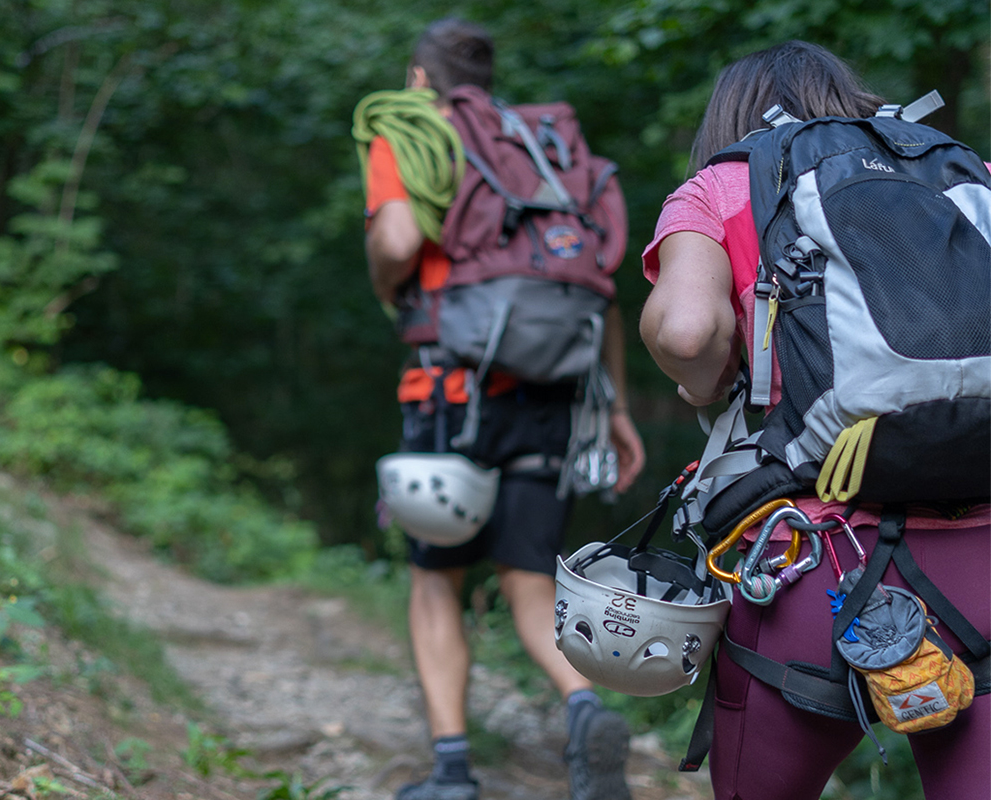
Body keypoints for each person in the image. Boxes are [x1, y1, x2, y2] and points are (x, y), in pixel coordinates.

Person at [639, 40, 991, 800]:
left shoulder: (726, 183)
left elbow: (686, 333)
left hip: (815, 559)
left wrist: (704, 385)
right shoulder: (963, 169)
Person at [361, 18, 646, 800]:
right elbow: (601, 290)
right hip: (554, 389)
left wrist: (389, 284)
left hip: (451, 391)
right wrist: (613, 407)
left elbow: (395, 237)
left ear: (420, 79)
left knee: (435, 580)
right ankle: (585, 710)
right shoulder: (545, 151)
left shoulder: (417, 131)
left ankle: (451, 771)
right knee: (529, 580)